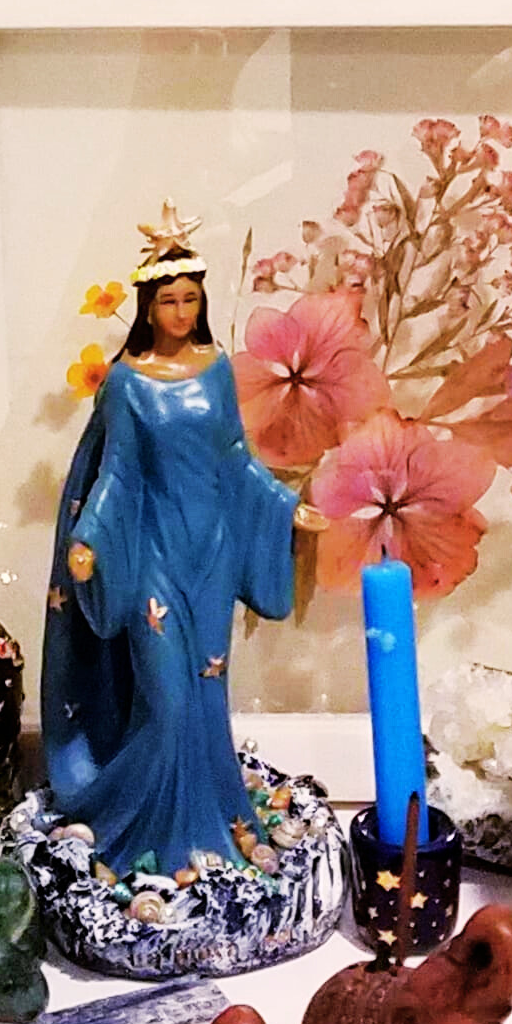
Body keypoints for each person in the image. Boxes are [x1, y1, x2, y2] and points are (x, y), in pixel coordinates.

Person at [39, 210, 310, 879]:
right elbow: (118, 472)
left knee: (208, 696)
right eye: (169, 301)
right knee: (166, 703)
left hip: (211, 555)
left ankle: (216, 819)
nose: (182, 313)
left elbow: (235, 458)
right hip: (153, 559)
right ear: (147, 307)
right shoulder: (126, 383)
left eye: (191, 299)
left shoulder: (216, 371)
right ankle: (128, 822)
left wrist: (286, 509)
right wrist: (89, 537)